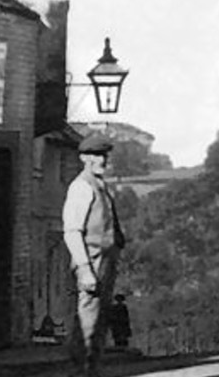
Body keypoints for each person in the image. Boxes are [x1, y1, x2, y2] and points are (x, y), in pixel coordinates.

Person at [62, 133, 125, 377]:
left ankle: (91, 372)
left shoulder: (100, 186)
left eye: (104, 155)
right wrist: (85, 269)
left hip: (105, 262)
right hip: (91, 261)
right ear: (84, 158)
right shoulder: (81, 187)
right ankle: (81, 372)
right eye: (97, 156)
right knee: (87, 323)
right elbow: (72, 232)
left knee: (98, 324)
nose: (103, 161)